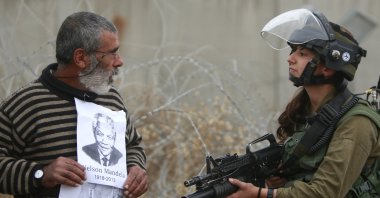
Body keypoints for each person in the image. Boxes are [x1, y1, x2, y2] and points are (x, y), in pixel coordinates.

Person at [226, 8, 380, 198]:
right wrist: (277, 181)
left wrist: (260, 194)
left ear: (328, 67)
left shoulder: (357, 122)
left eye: (303, 53)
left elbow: (325, 193)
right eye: (293, 51)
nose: (290, 58)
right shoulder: (305, 112)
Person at [0, 11, 148, 198]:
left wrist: (135, 167)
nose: (120, 61)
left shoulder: (111, 98)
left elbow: (132, 145)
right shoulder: (24, 105)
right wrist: (41, 174)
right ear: (80, 58)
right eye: (112, 53)